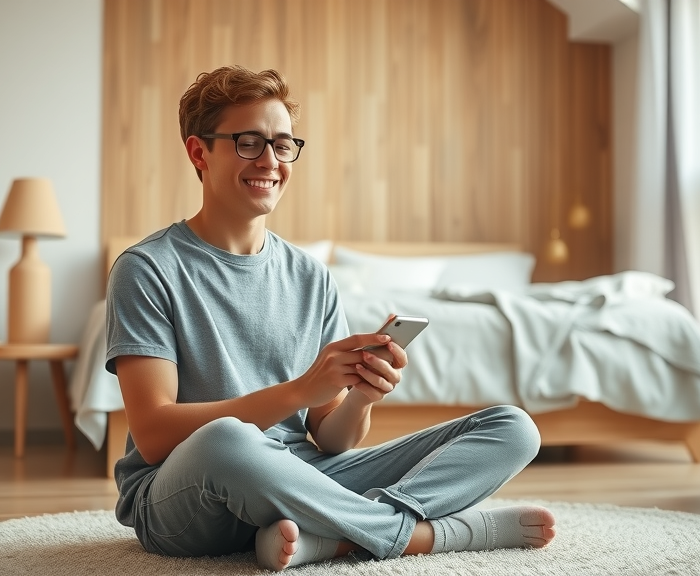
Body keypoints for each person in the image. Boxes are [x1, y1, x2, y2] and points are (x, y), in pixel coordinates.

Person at [105, 65, 556, 571]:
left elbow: (333, 440)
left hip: (306, 478)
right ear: (199, 152)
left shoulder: (311, 277)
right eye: (249, 142)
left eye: (282, 144)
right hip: (188, 493)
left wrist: (361, 392)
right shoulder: (146, 269)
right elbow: (154, 433)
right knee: (227, 439)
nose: (271, 161)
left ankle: (331, 539)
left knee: (513, 427)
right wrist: (300, 390)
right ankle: (432, 536)